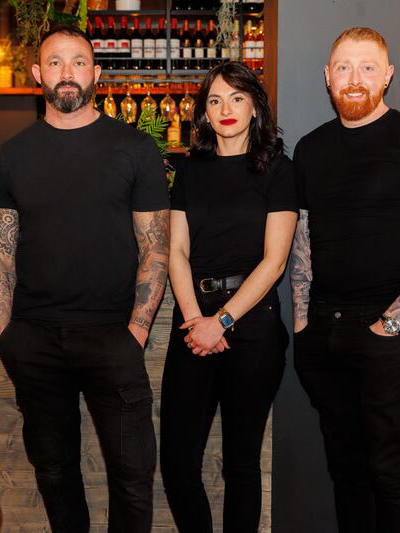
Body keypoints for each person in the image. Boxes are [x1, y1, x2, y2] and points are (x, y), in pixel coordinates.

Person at [0, 24, 170, 533]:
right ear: (38, 73)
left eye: (79, 62)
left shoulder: (134, 149)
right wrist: (7, 335)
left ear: (97, 73)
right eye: (56, 62)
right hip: (36, 339)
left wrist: (135, 331)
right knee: (55, 471)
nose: (68, 73)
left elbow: (156, 248)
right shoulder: (12, 157)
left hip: (113, 337)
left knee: (133, 476)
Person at [290, 27, 400, 533]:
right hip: (323, 330)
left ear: (387, 76)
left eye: (368, 68)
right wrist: (303, 321)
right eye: (343, 67)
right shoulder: (310, 149)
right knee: (345, 469)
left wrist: (391, 325)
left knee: (390, 470)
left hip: (391, 333)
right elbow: (303, 240)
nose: (354, 79)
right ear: (327, 77)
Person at [159, 61, 297, 532]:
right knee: (177, 464)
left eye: (237, 98)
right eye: (214, 100)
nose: (226, 109)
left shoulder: (278, 168)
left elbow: (274, 261)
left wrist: (221, 322)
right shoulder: (190, 169)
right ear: (204, 112)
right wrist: (199, 320)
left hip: (253, 326)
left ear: (255, 105)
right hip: (192, 321)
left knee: (241, 463)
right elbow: (176, 251)